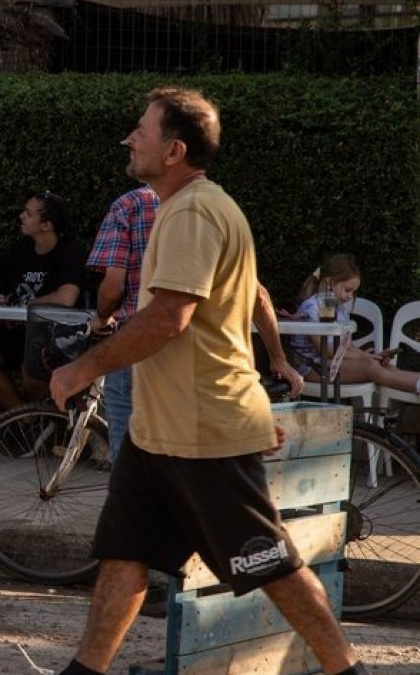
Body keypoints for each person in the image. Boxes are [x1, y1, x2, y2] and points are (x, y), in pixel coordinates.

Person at [48, 88, 368, 675]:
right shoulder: (190, 207)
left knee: (268, 562)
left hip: (201, 430)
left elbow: (172, 317)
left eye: (140, 130)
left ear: (173, 150)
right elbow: (235, 310)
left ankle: (348, 670)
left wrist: (83, 366)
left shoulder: (194, 212)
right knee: (124, 555)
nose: (129, 137)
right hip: (159, 433)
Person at [0, 190, 85, 412]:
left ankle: (43, 426)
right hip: (14, 331)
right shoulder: (20, 249)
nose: (21, 216)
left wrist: (26, 306)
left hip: (47, 335)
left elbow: (67, 298)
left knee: (33, 375)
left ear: (46, 225)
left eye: (28, 214)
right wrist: (1, 309)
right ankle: (25, 417)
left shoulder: (69, 252)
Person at [85, 185, 157, 461]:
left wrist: (102, 317)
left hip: (136, 338)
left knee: (128, 461)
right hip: (189, 344)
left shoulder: (128, 206)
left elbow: (113, 286)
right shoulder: (205, 205)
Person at [289, 254, 420, 396]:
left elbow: (345, 345)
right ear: (328, 283)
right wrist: (363, 358)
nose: (351, 296)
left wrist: (368, 356)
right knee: (370, 367)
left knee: (383, 366)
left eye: (353, 291)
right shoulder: (312, 308)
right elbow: (325, 348)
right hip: (311, 368)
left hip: (329, 364)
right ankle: (417, 385)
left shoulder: (338, 308)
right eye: (347, 290)